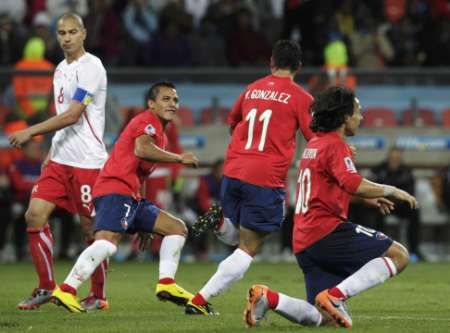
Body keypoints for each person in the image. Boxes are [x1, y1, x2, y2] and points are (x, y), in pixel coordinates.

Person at [243, 86, 418, 328]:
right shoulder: (335, 145)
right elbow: (352, 182)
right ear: (345, 116)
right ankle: (336, 296)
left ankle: (269, 298)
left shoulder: (315, 145)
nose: (361, 117)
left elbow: (327, 189)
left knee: (323, 318)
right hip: (327, 232)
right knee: (399, 255)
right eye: (358, 112)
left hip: (304, 240)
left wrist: (367, 198)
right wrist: (391, 189)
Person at [186, 39, 315, 315]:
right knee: (249, 246)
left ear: (271, 62)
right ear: (299, 67)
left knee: (239, 238)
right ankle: (200, 300)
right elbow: (314, 137)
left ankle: (220, 221)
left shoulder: (251, 89)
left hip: (233, 171)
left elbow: (234, 123)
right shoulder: (302, 98)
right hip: (265, 176)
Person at [51, 82, 200, 313]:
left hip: (130, 195)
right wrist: (180, 159)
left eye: (175, 100)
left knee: (176, 228)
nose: (172, 104)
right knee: (107, 243)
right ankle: (67, 289)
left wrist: (140, 220)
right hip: (114, 189)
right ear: (151, 104)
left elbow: (137, 170)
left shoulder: (161, 135)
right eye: (166, 99)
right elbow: (142, 149)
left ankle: (167, 283)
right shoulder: (147, 121)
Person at [8, 13, 109, 311]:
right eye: (61, 32)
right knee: (34, 216)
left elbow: (74, 114)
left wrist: (30, 131)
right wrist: (51, 152)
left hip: (88, 162)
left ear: (84, 33)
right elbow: (64, 118)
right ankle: (45, 287)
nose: (66, 38)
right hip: (60, 159)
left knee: (90, 229)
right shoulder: (59, 70)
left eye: (72, 32)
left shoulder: (92, 67)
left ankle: (98, 295)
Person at [370, 147, 423, 261]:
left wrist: (397, 200)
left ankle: (414, 250)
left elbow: (410, 192)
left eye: (397, 157)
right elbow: (372, 188)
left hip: (401, 205)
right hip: (382, 203)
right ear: (389, 156)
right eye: (393, 156)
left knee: (415, 211)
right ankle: (378, 249)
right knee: (373, 213)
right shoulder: (378, 169)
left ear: (400, 157)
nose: (395, 159)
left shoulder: (407, 171)